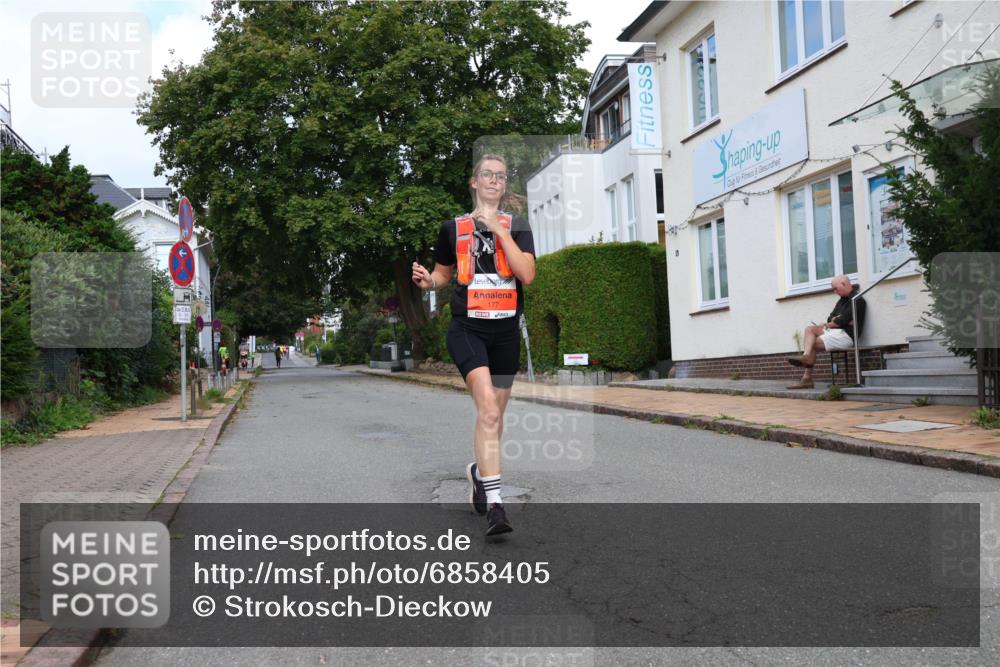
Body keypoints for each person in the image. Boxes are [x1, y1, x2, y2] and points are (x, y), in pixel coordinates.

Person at [411, 154, 535, 536]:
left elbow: (527, 274)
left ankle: (480, 474)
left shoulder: (518, 226)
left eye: (501, 176)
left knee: (495, 415)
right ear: (474, 182)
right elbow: (444, 274)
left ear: (504, 185)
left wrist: (499, 232)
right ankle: (496, 506)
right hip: (468, 329)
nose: (494, 181)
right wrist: (428, 282)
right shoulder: (452, 229)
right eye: (488, 174)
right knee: (488, 411)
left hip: (505, 331)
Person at [786, 275, 867, 389]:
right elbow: (831, 318)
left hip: (846, 336)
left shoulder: (857, 300)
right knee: (809, 329)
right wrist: (837, 320)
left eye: (835, 288)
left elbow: (840, 321)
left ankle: (806, 378)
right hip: (834, 332)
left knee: (811, 343)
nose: (834, 292)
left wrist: (836, 321)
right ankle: (806, 358)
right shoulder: (841, 301)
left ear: (844, 284)